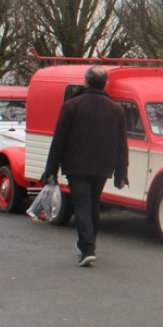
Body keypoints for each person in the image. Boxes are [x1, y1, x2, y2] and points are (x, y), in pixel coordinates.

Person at [40, 66, 129, 268]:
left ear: (86, 82)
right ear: (105, 83)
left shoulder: (72, 106)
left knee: (81, 203)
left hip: (76, 164)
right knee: (93, 202)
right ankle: (89, 243)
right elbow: (122, 143)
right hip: (103, 165)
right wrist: (121, 172)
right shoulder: (116, 109)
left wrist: (50, 170)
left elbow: (59, 141)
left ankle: (87, 247)